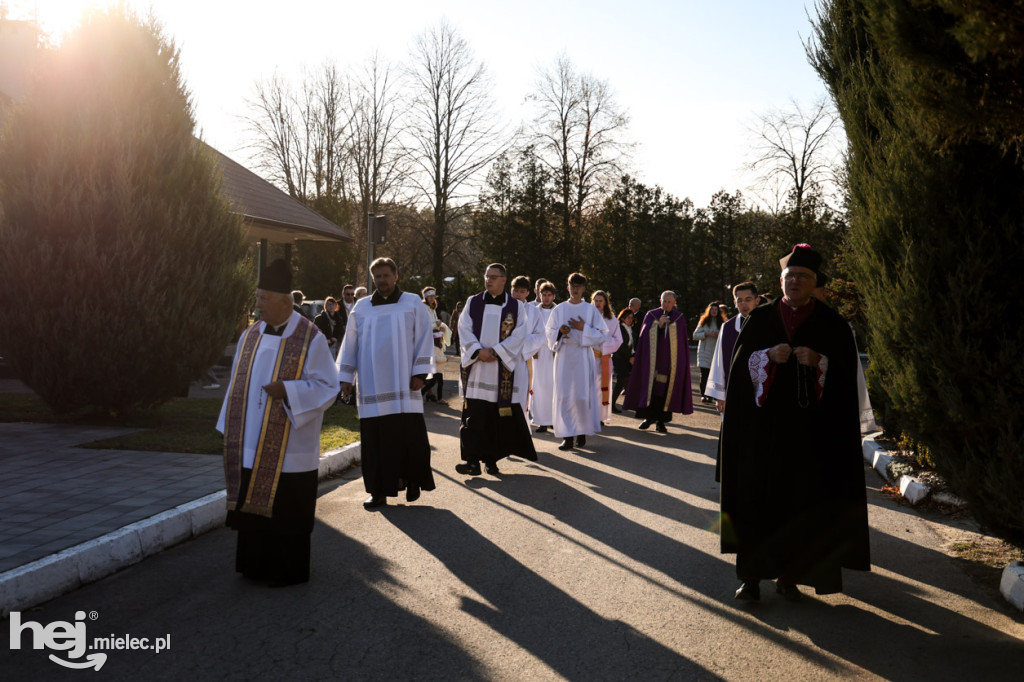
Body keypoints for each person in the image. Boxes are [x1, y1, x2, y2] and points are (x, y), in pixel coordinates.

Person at [717, 243, 870, 602]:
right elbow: (739, 375)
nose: (795, 281)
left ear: (815, 283)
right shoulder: (761, 319)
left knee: (803, 506)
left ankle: (791, 577)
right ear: (780, 279)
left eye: (804, 276)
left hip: (811, 437)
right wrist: (765, 357)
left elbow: (848, 379)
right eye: (790, 276)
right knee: (757, 502)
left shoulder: (832, 324)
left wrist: (821, 362)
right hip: (762, 436)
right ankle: (752, 578)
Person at [217, 259, 339, 586]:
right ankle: (253, 565)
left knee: (286, 508)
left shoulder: (309, 336)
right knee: (252, 506)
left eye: (263, 298)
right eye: (256, 298)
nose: (257, 305)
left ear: (285, 302)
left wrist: (289, 390)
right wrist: (228, 423)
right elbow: (236, 383)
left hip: (290, 443)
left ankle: (286, 570)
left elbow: (329, 387)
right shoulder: (251, 334)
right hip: (250, 439)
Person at [337, 257, 436, 509]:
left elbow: (424, 338)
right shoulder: (362, 307)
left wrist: (420, 373)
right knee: (375, 442)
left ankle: (413, 480)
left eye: (385, 275)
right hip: (371, 385)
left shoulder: (412, 302)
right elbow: (350, 344)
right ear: (373, 279)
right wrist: (346, 377)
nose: (381, 280)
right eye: (377, 276)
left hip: (404, 383)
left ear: (396, 276)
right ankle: (378, 491)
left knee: (409, 438)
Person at [457, 263, 538, 475]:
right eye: (486, 276)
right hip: (477, 369)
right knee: (474, 416)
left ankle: (491, 460)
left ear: (503, 279)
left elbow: (520, 334)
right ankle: (472, 461)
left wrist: (497, 352)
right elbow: (463, 328)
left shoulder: (516, 306)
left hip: (500, 371)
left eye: (494, 277)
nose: (489, 280)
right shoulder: (473, 302)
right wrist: (477, 351)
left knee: (495, 418)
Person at [545, 272, 608, 451]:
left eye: (578, 287)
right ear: (567, 287)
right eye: (572, 286)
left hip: (582, 354)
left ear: (583, 289)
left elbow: (603, 334)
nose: (575, 289)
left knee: (581, 395)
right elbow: (548, 331)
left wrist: (584, 328)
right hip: (564, 353)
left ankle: (581, 431)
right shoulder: (559, 309)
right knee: (565, 395)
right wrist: (560, 332)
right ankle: (567, 436)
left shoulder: (590, 310)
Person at [623, 291, 693, 433]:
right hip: (652, 361)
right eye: (664, 301)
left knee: (666, 391)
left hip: (669, 362)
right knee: (652, 389)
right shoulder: (652, 315)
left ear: (674, 303)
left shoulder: (679, 318)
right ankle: (648, 418)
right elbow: (644, 337)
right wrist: (658, 325)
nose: (666, 304)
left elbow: (682, 342)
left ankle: (661, 422)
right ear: (660, 301)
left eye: (669, 302)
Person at [706, 282, 759, 414]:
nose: (744, 304)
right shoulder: (728, 328)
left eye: (748, 300)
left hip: (760, 391)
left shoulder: (767, 324)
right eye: (739, 300)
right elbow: (719, 363)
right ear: (735, 303)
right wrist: (719, 396)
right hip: (733, 391)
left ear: (757, 301)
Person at [510, 275, 548, 415]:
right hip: (501, 358)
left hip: (521, 360)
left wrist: (519, 341)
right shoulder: (502, 308)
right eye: (516, 290)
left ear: (528, 293)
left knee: (519, 396)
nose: (518, 294)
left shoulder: (534, 312)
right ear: (511, 290)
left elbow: (541, 337)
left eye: (522, 291)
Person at [530, 281, 558, 432]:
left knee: (553, 386)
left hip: (554, 352)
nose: (546, 298)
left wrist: (557, 346)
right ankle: (541, 420)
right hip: (539, 353)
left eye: (549, 295)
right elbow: (531, 331)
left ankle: (553, 419)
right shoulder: (534, 311)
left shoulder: (559, 311)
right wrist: (533, 349)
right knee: (539, 386)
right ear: (539, 295)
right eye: (544, 295)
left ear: (553, 296)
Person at [591, 290, 622, 422]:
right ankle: (588, 415)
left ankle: (599, 416)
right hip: (589, 357)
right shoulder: (587, 317)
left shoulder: (612, 319)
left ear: (605, 303)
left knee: (601, 388)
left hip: (604, 358)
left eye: (600, 301)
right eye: (595, 301)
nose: (598, 303)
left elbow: (618, 340)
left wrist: (603, 341)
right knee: (588, 387)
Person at [420, 286, 450, 405]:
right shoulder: (423, 307)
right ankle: (426, 393)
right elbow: (425, 324)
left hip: (436, 339)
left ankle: (432, 394)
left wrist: (440, 326)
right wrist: (437, 324)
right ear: (426, 297)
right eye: (430, 296)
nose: (433, 298)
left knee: (436, 373)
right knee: (434, 372)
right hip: (428, 341)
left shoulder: (432, 308)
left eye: (434, 296)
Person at [693, 302, 728, 404]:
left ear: (718, 311)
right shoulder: (703, 321)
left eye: (716, 309)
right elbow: (695, 335)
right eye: (712, 309)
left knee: (716, 375)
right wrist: (706, 334)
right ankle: (704, 395)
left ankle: (714, 395)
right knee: (705, 375)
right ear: (709, 310)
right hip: (704, 352)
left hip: (717, 353)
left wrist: (719, 335)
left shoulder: (723, 322)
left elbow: (727, 337)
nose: (714, 311)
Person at [610, 308, 636, 413]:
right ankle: (634, 404)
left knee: (621, 382)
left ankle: (611, 404)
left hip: (627, 359)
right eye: (627, 317)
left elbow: (632, 345)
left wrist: (633, 355)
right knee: (626, 380)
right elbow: (620, 345)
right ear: (623, 317)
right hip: (619, 359)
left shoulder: (630, 329)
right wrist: (630, 357)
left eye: (631, 318)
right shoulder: (619, 328)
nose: (630, 320)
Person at [313, 296, 348, 360]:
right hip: (324, 344)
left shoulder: (339, 318)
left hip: (336, 345)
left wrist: (336, 338)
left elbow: (341, 331)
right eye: (329, 304)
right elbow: (316, 332)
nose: (331, 306)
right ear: (325, 306)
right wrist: (326, 339)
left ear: (336, 306)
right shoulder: (319, 318)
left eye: (333, 304)